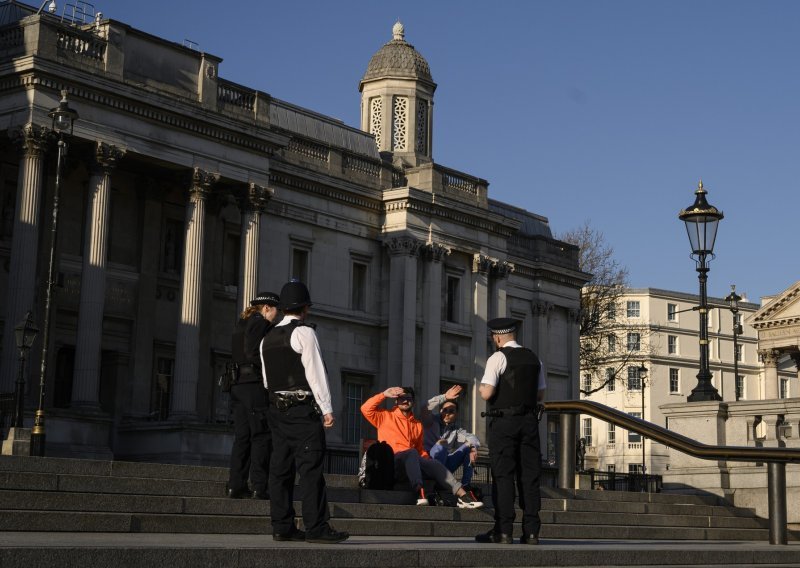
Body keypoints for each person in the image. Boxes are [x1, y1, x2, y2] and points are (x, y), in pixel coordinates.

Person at [260, 280, 349, 544]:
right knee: (310, 470)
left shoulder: (267, 337)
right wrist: (327, 408)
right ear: (305, 307)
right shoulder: (304, 332)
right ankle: (316, 527)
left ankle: (282, 525)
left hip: (276, 410)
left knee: (280, 470)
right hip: (301, 410)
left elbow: (267, 380)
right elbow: (316, 373)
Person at [475, 317, 546, 546]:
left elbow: (487, 393)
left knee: (504, 476)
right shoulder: (535, 358)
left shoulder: (498, 357)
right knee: (529, 476)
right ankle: (532, 532)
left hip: (504, 422)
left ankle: (504, 531)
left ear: (497, 338)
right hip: (529, 423)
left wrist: (481, 387)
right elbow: (540, 395)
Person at [361, 386, 483, 509]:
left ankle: (463, 496)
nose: (405, 401)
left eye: (408, 398)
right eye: (401, 398)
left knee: (433, 463)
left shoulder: (417, 425)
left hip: (411, 463)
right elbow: (365, 409)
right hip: (392, 464)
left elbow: (420, 450)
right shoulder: (384, 416)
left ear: (413, 402)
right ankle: (419, 491)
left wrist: (428, 460)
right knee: (412, 452)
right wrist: (383, 394)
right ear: (396, 401)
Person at [227, 291, 280, 500]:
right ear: (266, 307)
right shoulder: (259, 323)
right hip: (253, 385)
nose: (277, 316)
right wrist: (270, 373)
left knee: (242, 437)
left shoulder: (241, 322)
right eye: (276, 310)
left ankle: (236, 485)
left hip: (237, 384)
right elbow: (253, 353)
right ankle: (259, 485)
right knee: (261, 436)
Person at [421, 385, 481, 487]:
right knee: (442, 443)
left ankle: (466, 485)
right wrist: (444, 397)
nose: (447, 414)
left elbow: (473, 438)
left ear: (456, 414)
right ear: (440, 411)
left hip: (445, 465)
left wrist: (473, 448)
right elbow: (425, 407)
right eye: (445, 410)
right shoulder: (430, 421)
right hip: (428, 464)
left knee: (469, 447)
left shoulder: (456, 430)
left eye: (451, 411)